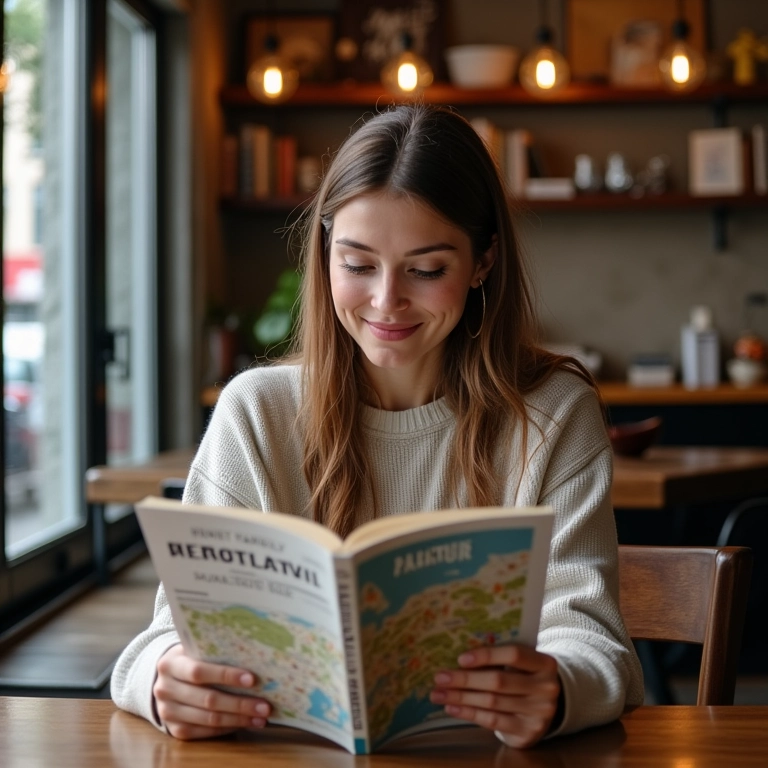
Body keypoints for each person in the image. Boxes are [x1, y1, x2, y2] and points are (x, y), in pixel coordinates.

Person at [112, 104, 644, 748]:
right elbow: (169, 635)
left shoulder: (554, 414)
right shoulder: (255, 412)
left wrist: (558, 688)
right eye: (358, 264)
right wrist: (164, 679)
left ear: (483, 262)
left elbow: (591, 636)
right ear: (325, 254)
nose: (387, 301)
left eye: (426, 270)